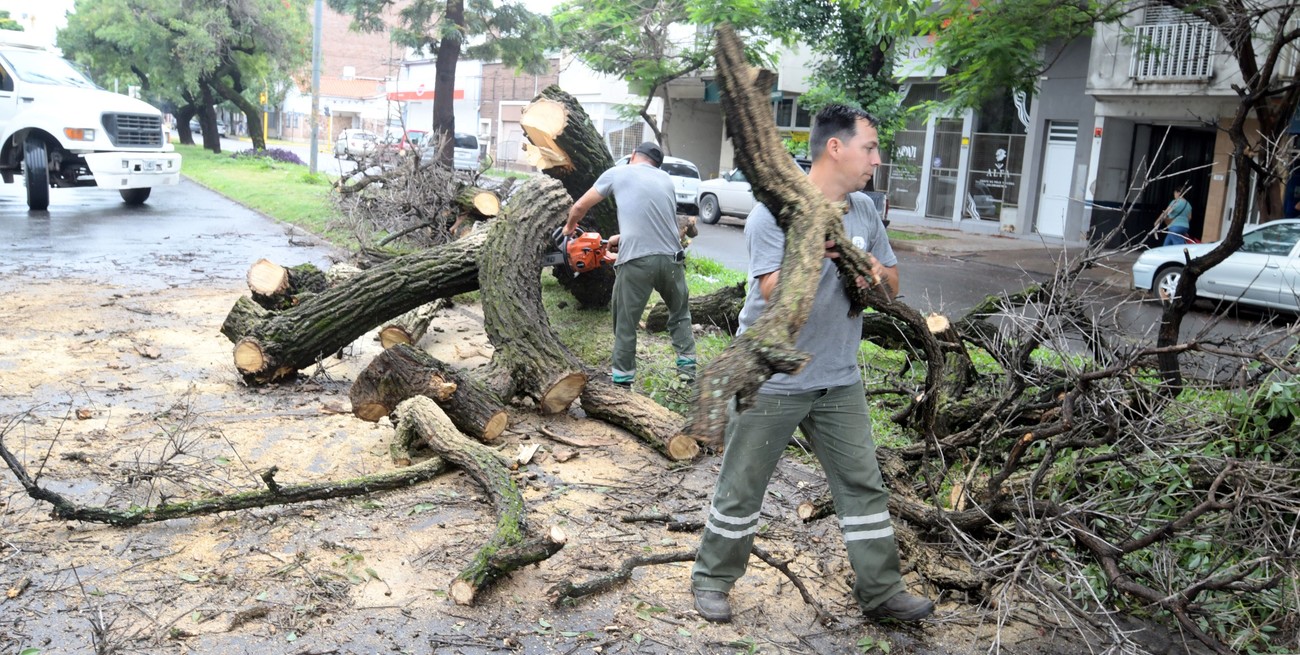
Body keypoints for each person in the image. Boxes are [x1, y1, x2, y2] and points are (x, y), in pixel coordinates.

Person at [691, 105, 934, 624]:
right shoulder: (772, 212)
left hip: (838, 377)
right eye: (869, 148)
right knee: (743, 482)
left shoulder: (865, 211)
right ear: (835, 148)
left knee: (862, 484)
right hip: (772, 375)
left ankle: (881, 591)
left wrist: (867, 267)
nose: (876, 159)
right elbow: (772, 291)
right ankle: (712, 580)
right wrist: (811, 250)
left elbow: (891, 284)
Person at [563, 141, 696, 387]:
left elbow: (580, 206)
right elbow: (658, 224)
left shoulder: (618, 172)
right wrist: (621, 239)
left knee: (625, 322)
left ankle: (623, 381)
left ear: (633, 155)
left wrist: (569, 229)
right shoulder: (666, 180)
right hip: (671, 260)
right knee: (680, 315)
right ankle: (688, 374)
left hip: (637, 263)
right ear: (657, 164)